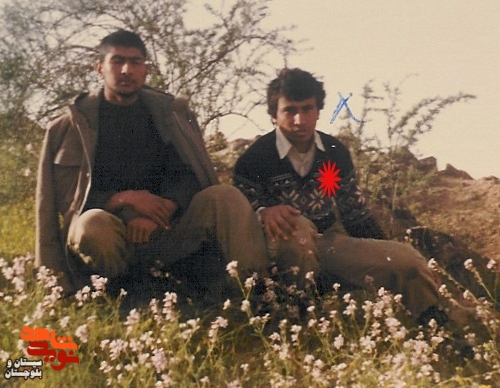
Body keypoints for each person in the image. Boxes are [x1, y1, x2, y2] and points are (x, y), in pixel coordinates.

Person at [36, 29, 268, 295]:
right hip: (108, 236)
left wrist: (163, 210)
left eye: (135, 62)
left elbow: (189, 177)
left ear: (145, 69)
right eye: (117, 61)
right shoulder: (70, 127)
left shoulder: (170, 116)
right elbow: (65, 203)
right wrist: (128, 199)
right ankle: (120, 294)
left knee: (225, 196)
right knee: (92, 224)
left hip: (165, 230)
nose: (127, 70)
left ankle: (256, 292)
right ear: (99, 68)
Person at [233, 68, 442, 321]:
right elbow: (238, 221)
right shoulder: (255, 159)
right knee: (296, 229)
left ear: (318, 110)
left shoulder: (332, 153)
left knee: (407, 260)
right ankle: (298, 321)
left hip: (328, 246)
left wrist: (387, 254)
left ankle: (437, 325)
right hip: (277, 254)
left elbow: (355, 216)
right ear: (273, 115)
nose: (300, 120)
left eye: (307, 109)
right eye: (290, 110)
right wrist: (262, 212)